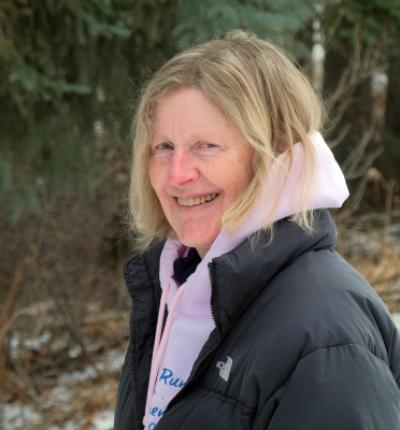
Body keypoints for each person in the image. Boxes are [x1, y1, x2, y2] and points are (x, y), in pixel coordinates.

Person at [114, 31, 400, 430]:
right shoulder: (177, 290)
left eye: (206, 146)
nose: (176, 175)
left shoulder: (324, 338)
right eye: (163, 147)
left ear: (276, 151)